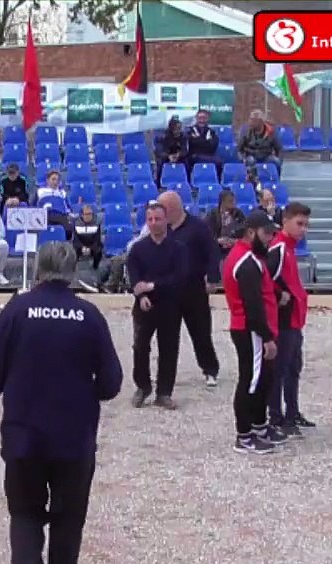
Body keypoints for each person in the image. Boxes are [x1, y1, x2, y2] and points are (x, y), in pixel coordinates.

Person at [0, 241, 122, 564]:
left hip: (23, 436)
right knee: (68, 524)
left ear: (38, 269)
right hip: (73, 439)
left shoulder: (16, 311)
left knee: (24, 513)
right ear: (73, 271)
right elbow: (111, 384)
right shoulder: (89, 316)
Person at [222, 211, 286, 455]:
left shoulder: (251, 257)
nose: (270, 238)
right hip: (250, 329)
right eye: (266, 233)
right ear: (251, 233)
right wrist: (267, 336)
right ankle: (244, 435)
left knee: (262, 379)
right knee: (250, 380)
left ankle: (259, 425)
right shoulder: (246, 262)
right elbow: (253, 306)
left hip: (255, 329)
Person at [157, 190, 221, 388]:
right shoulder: (160, 229)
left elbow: (212, 253)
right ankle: (166, 376)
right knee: (167, 336)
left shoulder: (198, 227)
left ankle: (210, 369)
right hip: (168, 290)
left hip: (194, 289)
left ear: (174, 209)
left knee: (201, 332)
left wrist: (212, 279)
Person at [126, 204, 186, 410]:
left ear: (165, 219)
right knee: (140, 347)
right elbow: (134, 276)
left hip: (169, 305)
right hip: (144, 306)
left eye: (157, 219)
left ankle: (164, 392)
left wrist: (153, 286)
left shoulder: (177, 249)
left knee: (169, 348)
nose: (153, 223)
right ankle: (143, 387)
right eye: (150, 219)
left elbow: (179, 278)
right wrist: (141, 294)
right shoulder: (138, 249)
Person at [265, 202, 314, 436]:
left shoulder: (289, 248)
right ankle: (276, 416)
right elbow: (264, 279)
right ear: (285, 221)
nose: (303, 229)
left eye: (306, 225)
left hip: (294, 320)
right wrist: (280, 294)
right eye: (299, 224)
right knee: (280, 370)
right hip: (283, 321)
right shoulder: (279, 249)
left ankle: (292, 412)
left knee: (293, 368)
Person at [35, 170, 74, 241]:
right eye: (53, 179)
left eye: (58, 180)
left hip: (60, 216)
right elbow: (33, 205)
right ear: (47, 180)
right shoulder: (40, 191)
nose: (56, 182)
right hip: (44, 216)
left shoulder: (62, 193)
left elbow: (69, 207)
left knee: (69, 226)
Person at [206, 189, 245, 258]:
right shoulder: (212, 215)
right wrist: (218, 241)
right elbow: (208, 235)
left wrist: (234, 241)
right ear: (223, 202)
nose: (234, 203)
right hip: (217, 249)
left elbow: (244, 231)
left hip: (234, 248)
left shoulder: (238, 213)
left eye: (234, 201)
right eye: (231, 201)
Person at [184, 109, 221, 180]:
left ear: (208, 119)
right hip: (194, 156)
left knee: (218, 162)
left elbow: (213, 146)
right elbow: (192, 144)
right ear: (196, 118)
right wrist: (206, 141)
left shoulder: (212, 132)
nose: (202, 121)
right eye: (200, 118)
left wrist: (198, 140)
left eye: (204, 118)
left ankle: (217, 183)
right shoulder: (190, 130)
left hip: (209, 155)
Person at [154, 116, 186, 187]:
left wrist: (179, 155)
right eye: (176, 128)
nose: (178, 130)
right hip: (166, 155)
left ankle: (186, 183)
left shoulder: (183, 136)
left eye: (179, 128)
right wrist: (168, 156)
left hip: (178, 156)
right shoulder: (163, 137)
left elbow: (185, 149)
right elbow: (159, 151)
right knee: (160, 161)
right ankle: (158, 184)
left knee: (187, 161)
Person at [71, 204, 103, 272]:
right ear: (82, 215)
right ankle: (73, 270)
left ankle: (95, 268)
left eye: (90, 214)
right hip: (80, 245)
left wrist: (90, 248)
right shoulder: (76, 223)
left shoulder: (97, 223)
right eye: (87, 214)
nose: (89, 216)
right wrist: (82, 247)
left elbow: (97, 239)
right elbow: (76, 239)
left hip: (92, 245)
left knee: (98, 250)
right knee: (73, 250)